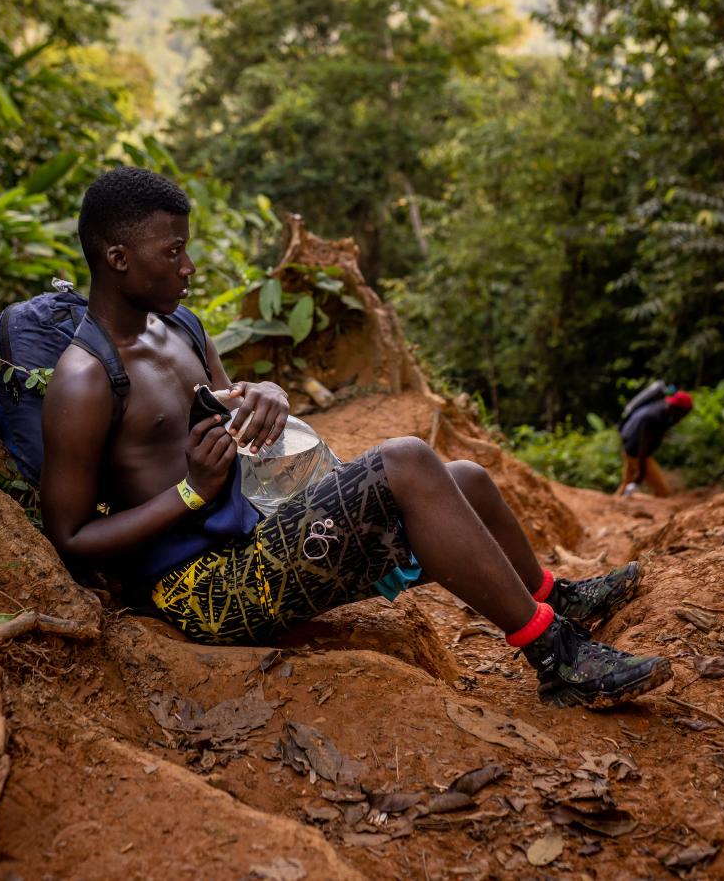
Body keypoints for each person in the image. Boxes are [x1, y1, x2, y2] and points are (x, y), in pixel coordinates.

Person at [41, 167, 672, 709]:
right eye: (171, 251)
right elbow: (70, 538)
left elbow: (230, 409)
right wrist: (190, 493)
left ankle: (556, 601)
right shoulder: (86, 380)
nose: (189, 265)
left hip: (257, 531)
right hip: (202, 588)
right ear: (118, 258)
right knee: (405, 460)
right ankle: (556, 658)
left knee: (468, 481)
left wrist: (265, 395)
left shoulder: (180, 327)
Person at [617, 389, 694, 498]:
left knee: (626, 485)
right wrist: (641, 472)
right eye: (684, 413)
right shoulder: (654, 418)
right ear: (678, 409)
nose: (684, 417)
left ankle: (616, 502)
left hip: (630, 447)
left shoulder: (663, 410)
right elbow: (643, 445)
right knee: (663, 492)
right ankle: (633, 500)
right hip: (636, 454)